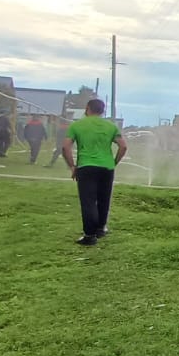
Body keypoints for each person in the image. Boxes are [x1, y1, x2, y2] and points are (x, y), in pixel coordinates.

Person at [62, 98, 128, 246]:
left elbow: (66, 147)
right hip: (107, 168)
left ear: (87, 108)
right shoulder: (111, 126)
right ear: (102, 110)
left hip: (86, 167)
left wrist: (72, 166)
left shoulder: (77, 126)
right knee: (104, 198)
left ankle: (89, 235)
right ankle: (101, 229)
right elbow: (123, 147)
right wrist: (114, 162)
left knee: (88, 201)